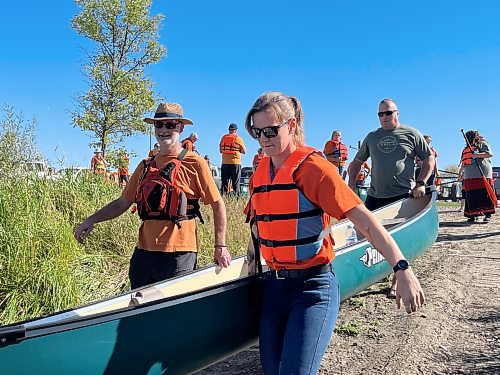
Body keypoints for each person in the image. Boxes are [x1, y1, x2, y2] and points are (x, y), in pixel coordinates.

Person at [244, 91, 425, 375]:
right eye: (257, 131)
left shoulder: (314, 168)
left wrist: (401, 268)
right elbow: (258, 230)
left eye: (271, 130)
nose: (263, 138)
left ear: (291, 126)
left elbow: (364, 221)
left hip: (313, 290)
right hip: (275, 289)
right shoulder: (260, 173)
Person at [75, 102, 231, 289]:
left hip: (179, 255)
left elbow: (217, 203)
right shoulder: (144, 166)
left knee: (173, 314)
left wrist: (220, 246)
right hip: (144, 253)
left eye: (170, 125)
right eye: (159, 125)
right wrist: (92, 219)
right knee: (139, 311)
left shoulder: (195, 163)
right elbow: (123, 201)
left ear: (180, 128)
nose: (164, 130)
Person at [348, 98, 434, 298]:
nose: (384, 117)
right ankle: (371, 273)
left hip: (402, 196)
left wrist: (421, 183)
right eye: (380, 114)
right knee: (365, 235)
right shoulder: (372, 137)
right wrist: (351, 183)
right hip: (375, 195)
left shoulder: (411, 134)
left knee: (398, 238)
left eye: (388, 113)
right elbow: (357, 161)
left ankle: (398, 279)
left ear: (397, 113)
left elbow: (428, 158)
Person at [457, 130, 495, 223]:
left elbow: (489, 154)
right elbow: (463, 163)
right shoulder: (465, 149)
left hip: (482, 173)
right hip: (469, 175)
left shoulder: (482, 143)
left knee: (484, 194)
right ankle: (473, 215)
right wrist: (460, 174)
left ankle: (488, 214)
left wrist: (476, 154)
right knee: (471, 195)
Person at [219, 123, 246, 195]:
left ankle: (223, 198)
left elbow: (220, 150)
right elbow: (244, 151)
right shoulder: (238, 139)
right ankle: (236, 200)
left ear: (229, 130)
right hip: (235, 163)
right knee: (236, 183)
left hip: (225, 163)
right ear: (236, 130)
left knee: (224, 182)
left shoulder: (223, 138)